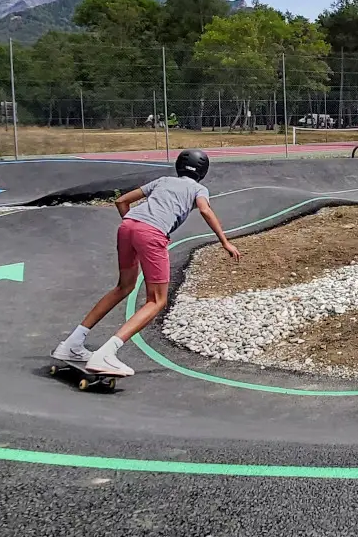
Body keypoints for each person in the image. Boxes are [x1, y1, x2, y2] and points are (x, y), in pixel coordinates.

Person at [52, 148, 240, 376]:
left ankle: (72, 344)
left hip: (128, 226)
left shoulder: (163, 180)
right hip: (151, 234)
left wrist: (137, 227)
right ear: (203, 172)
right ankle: (107, 354)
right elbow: (205, 210)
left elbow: (121, 201)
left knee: (123, 287)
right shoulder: (199, 189)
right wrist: (225, 242)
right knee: (157, 300)